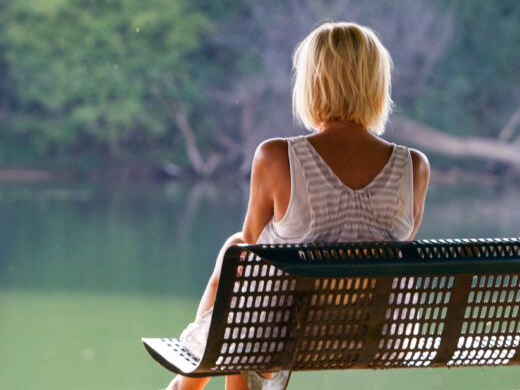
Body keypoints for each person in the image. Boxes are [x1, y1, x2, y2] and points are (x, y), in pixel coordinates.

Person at [164, 22, 431, 390]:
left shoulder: (276, 156)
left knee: (237, 255)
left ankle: (186, 385)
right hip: (378, 336)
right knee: (242, 262)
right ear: (377, 85)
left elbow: (254, 252)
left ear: (312, 83)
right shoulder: (414, 167)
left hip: (286, 333)